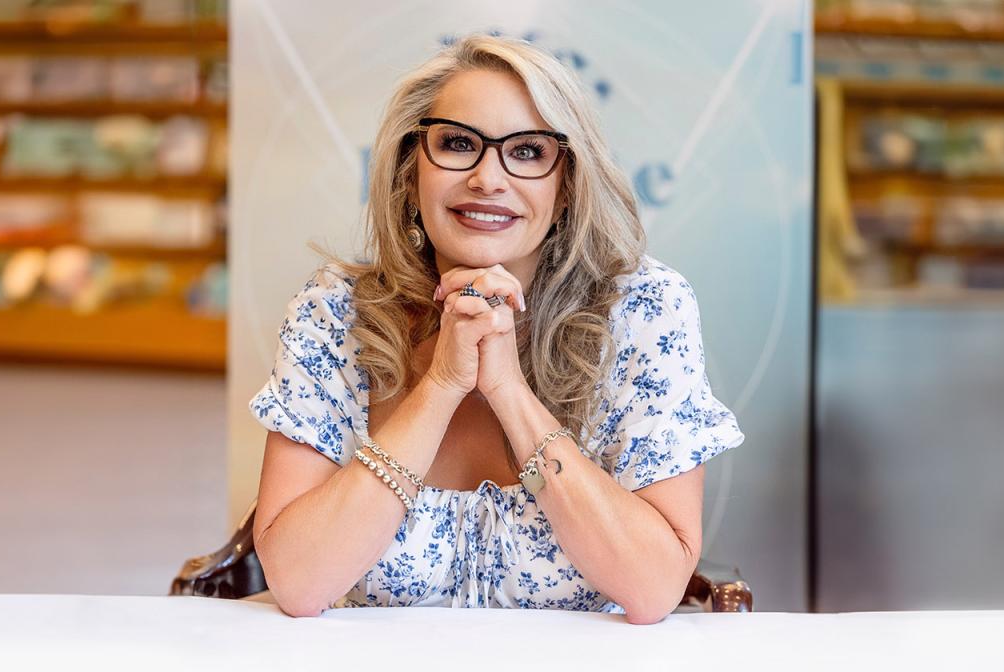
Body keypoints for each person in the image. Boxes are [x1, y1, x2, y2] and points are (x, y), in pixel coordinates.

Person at [248, 34, 744, 625]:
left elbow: (654, 586)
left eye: (529, 152)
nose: (488, 178)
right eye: (458, 144)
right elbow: (299, 583)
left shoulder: (643, 311)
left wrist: (510, 392)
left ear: (566, 188)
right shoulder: (334, 312)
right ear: (411, 172)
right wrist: (440, 387)